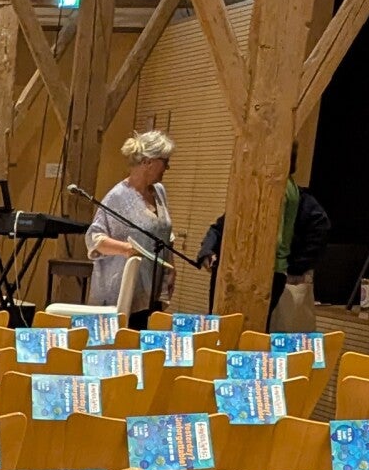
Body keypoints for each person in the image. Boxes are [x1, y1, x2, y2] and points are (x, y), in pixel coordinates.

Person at [196, 157, 332, 318]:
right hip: (234, 271)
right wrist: (207, 251)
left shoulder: (292, 196)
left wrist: (295, 266)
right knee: (228, 325)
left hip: (267, 274)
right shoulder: (255, 193)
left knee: (243, 327)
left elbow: (319, 229)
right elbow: (220, 227)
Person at [85, 131, 175, 325]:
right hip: (122, 292)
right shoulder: (117, 197)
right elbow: (94, 239)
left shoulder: (159, 191)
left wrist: (171, 268)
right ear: (148, 162)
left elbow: (165, 233)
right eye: (165, 162)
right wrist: (126, 249)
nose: (167, 167)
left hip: (152, 289)